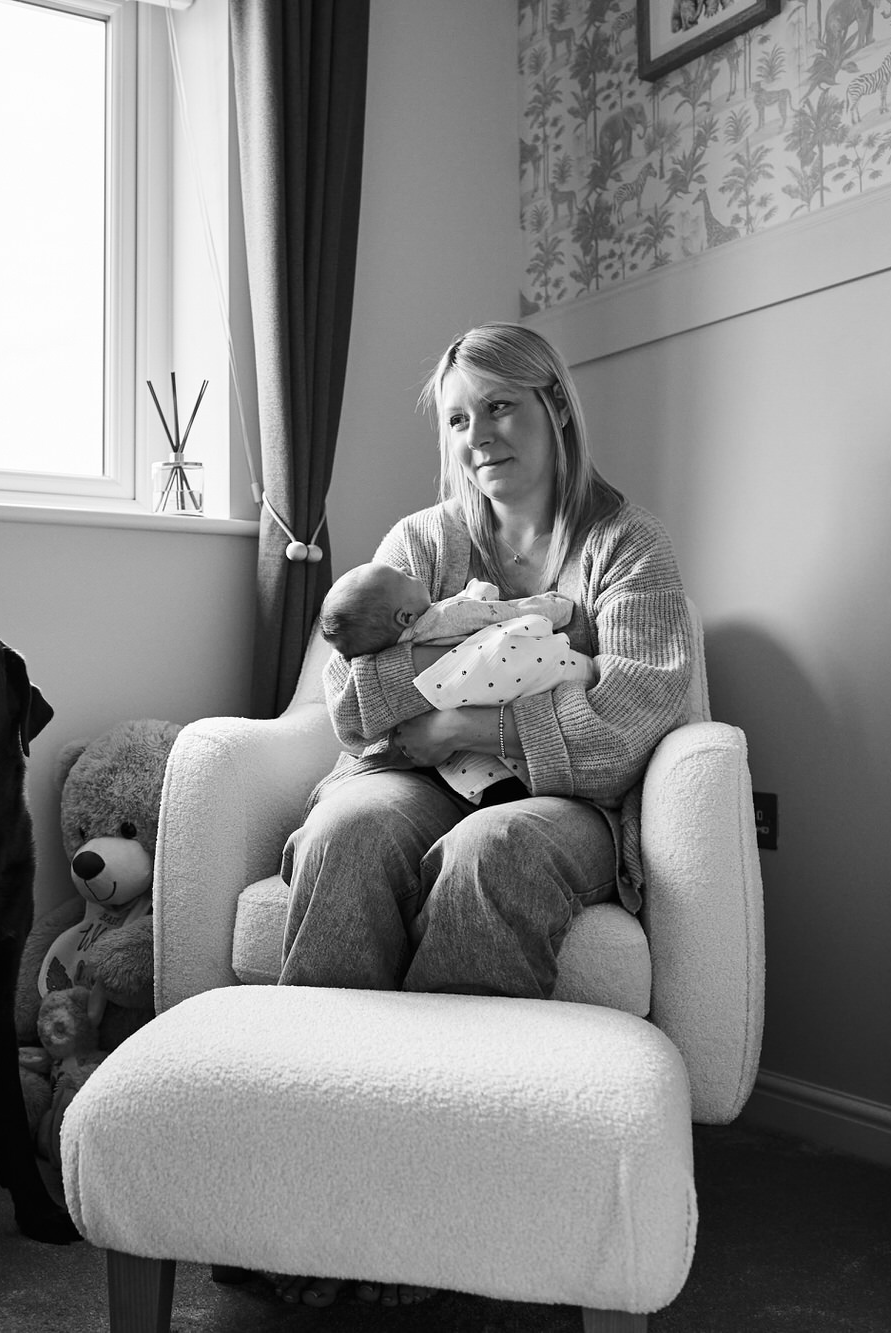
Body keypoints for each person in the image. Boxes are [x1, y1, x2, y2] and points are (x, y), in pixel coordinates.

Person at [270, 322, 694, 1309]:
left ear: (551, 404)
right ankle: (312, 1184)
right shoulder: (419, 544)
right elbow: (352, 701)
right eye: (458, 418)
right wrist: (474, 697)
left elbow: (627, 716)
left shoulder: (626, 549)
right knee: (342, 834)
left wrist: (465, 717)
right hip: (409, 778)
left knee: (487, 850)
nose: (478, 435)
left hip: (561, 803)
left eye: (498, 406)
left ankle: (448, 1200)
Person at [315, 561, 593, 799]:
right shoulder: (446, 616)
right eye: (404, 576)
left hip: (462, 768)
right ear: (406, 616)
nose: (405, 568)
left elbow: (355, 678)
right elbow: (506, 612)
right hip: (538, 693)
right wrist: (555, 607)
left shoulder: (383, 642)